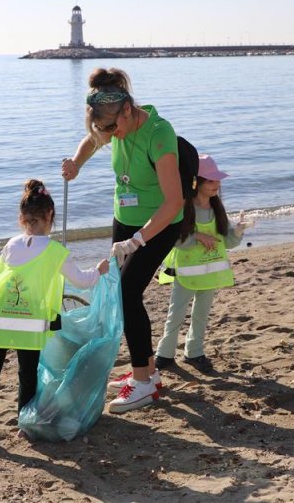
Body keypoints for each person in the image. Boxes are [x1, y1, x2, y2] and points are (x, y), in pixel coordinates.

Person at [61, 68, 184, 413]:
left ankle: (144, 384)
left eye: (112, 128)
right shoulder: (112, 126)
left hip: (159, 225)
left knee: (128, 295)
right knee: (121, 293)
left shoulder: (159, 134)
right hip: (124, 219)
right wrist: (77, 163)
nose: (109, 135)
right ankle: (147, 371)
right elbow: (92, 140)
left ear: (127, 109)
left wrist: (138, 240)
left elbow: (175, 202)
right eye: (104, 130)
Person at [0, 179, 109, 438]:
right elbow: (81, 280)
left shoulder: (11, 244)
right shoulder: (56, 251)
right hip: (30, 322)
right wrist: (99, 271)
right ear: (50, 215)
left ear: (22, 219)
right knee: (27, 375)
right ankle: (24, 425)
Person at [155, 154, 252, 373]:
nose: (216, 185)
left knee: (201, 317)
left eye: (217, 180)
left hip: (211, 274)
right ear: (195, 182)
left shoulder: (217, 210)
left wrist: (238, 230)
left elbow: (227, 242)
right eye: (210, 180)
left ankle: (194, 353)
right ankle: (165, 354)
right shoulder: (184, 208)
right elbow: (175, 239)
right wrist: (199, 237)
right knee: (175, 316)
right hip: (187, 275)